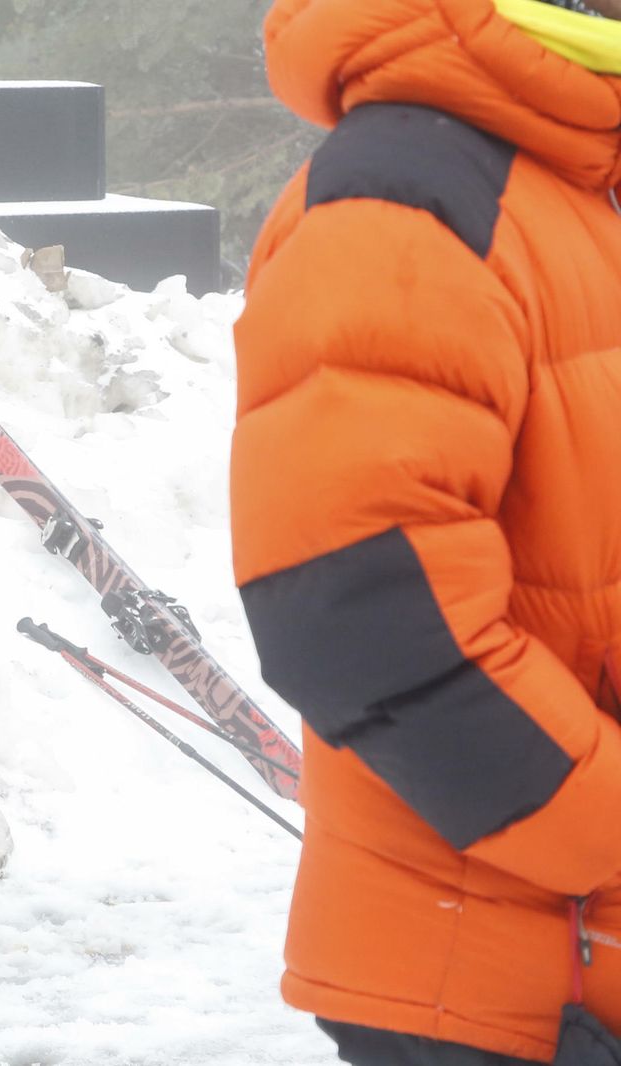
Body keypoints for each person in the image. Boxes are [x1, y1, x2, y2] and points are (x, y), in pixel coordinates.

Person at [231, 0, 621, 1061]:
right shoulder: (403, 200)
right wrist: (606, 823)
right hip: (501, 984)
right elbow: (359, 611)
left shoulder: (579, 176)